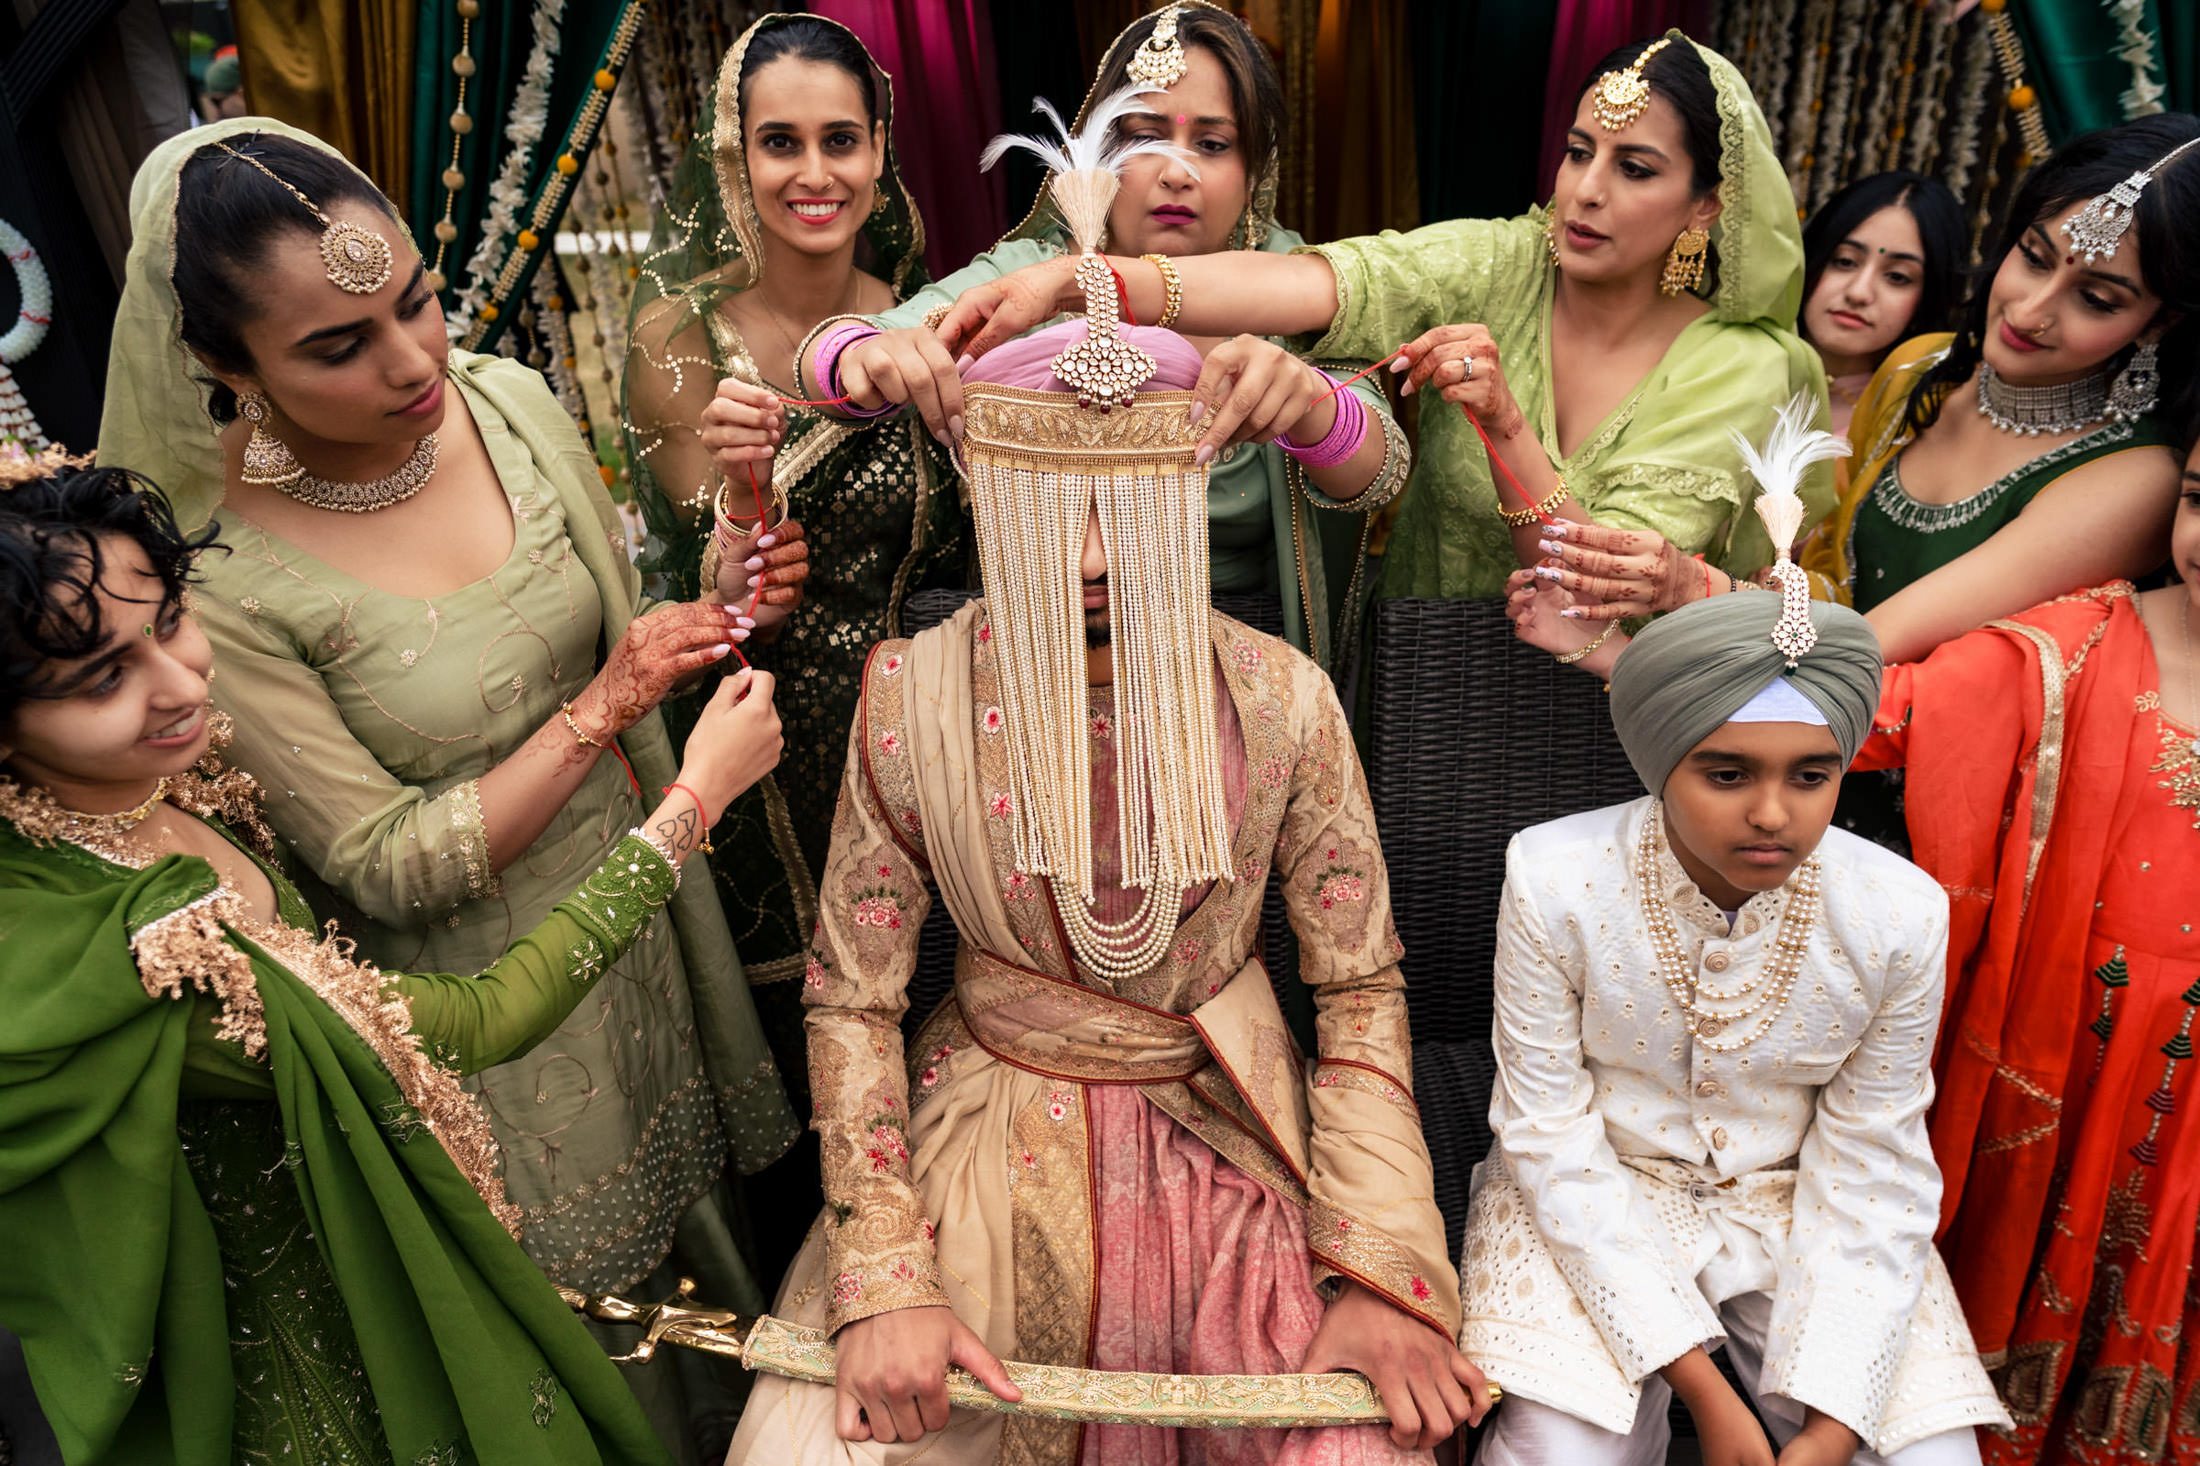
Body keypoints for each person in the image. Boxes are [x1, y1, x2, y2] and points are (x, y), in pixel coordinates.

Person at [725, 170, 1484, 1458]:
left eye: (1124, 507)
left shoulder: (1282, 701)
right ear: (985, 494)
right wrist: (884, 1278)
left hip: (1226, 1127)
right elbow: (853, 997)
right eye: (1045, 511)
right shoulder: (912, 694)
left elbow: (1359, 992)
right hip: (976, 1131)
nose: (1086, 558)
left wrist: (1378, 1269)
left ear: (1188, 495)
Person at [97, 119, 803, 1459]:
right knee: (598, 1347)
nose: (414, 359)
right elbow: (382, 862)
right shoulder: (219, 574)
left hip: (647, 931)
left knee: (722, 1278)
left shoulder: (506, 401)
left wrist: (726, 570)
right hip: (492, 1024)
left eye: (413, 300)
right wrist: (616, 706)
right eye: (336, 345)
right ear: (218, 363)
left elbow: (617, 618)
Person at [0, 454, 784, 1466]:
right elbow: (478, 1018)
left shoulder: (145, 794)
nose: (179, 679)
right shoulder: (138, 950)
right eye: (103, 675)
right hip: (306, 1367)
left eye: (166, 620)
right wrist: (693, 803)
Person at [925, 30, 1829, 602]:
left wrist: (1503, 424)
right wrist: (1091, 285)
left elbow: (1589, 585)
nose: (1585, 193)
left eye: (1634, 168)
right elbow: (1334, 284)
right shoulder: (1506, 261)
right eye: (1577, 152)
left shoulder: (1748, 366)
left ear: (1706, 206)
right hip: (1424, 695)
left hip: (1628, 723)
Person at [1466, 540, 2008, 1465]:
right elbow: (1547, 1134)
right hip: (1590, 1198)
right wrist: (1713, 1403)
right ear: (1658, 761)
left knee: (1930, 1456)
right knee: (1557, 1452)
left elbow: (1877, 1166)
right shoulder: (1553, 876)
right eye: (1727, 774)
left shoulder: (1898, 912)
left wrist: (1836, 1429)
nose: (1772, 814)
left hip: (1803, 1211)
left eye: (1811, 775)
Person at [806, 0, 1408, 672]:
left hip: (1241, 670)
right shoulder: (1036, 277)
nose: (1177, 171)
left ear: (1255, 169)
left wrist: (1313, 406)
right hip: (1044, 670)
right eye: (1143, 138)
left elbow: (1380, 477)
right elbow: (844, 354)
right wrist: (861, 354)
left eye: (1212, 144)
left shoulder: (1290, 283)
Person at [1825, 438, 2200, 1465]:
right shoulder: (2076, 645)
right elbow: (1893, 713)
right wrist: (1652, 661)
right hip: (2053, 1078)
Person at [1525, 115, 2196, 666]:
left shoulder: (2134, 478)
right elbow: (1826, 589)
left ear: (2161, 321)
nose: (2028, 311)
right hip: (1780, 739)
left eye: (2098, 299)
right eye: (2033, 257)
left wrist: (1682, 591)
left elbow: (1871, 647)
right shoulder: (1919, 375)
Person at [623, 14, 967, 1046]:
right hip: (760, 760)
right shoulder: (679, 338)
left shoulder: (923, 322)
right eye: (780, 142)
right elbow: (711, 592)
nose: (813, 173)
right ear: (738, 162)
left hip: (919, 752)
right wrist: (743, 507)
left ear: (878, 153)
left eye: (840, 140)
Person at [1796, 171, 1962, 443]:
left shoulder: (1909, 430)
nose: (1858, 293)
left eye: (1897, 277)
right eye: (1845, 261)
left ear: (1928, 299)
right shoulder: (1733, 367)